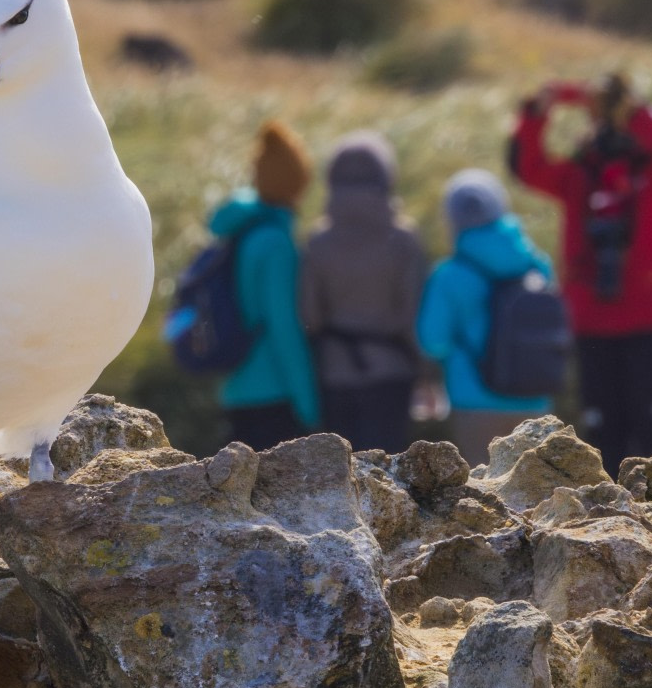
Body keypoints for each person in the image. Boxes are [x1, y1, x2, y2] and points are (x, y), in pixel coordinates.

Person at [508, 73, 652, 488]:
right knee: (603, 438)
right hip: (594, 325)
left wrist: (634, 112)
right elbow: (525, 167)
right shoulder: (579, 175)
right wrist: (544, 105)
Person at [417, 169, 555, 465]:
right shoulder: (537, 264)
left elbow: (432, 342)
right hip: (535, 399)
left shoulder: (449, 274)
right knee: (538, 500)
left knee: (483, 500)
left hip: (474, 400)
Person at [300, 132, 428, 453]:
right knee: (386, 480)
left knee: (342, 477)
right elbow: (413, 319)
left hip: (334, 373)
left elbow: (310, 318)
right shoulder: (404, 241)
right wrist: (429, 373)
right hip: (391, 373)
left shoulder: (318, 243)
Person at [207, 120, 320, 451]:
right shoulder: (276, 243)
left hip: (235, 384)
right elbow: (283, 325)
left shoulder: (240, 230)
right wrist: (309, 404)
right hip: (272, 392)